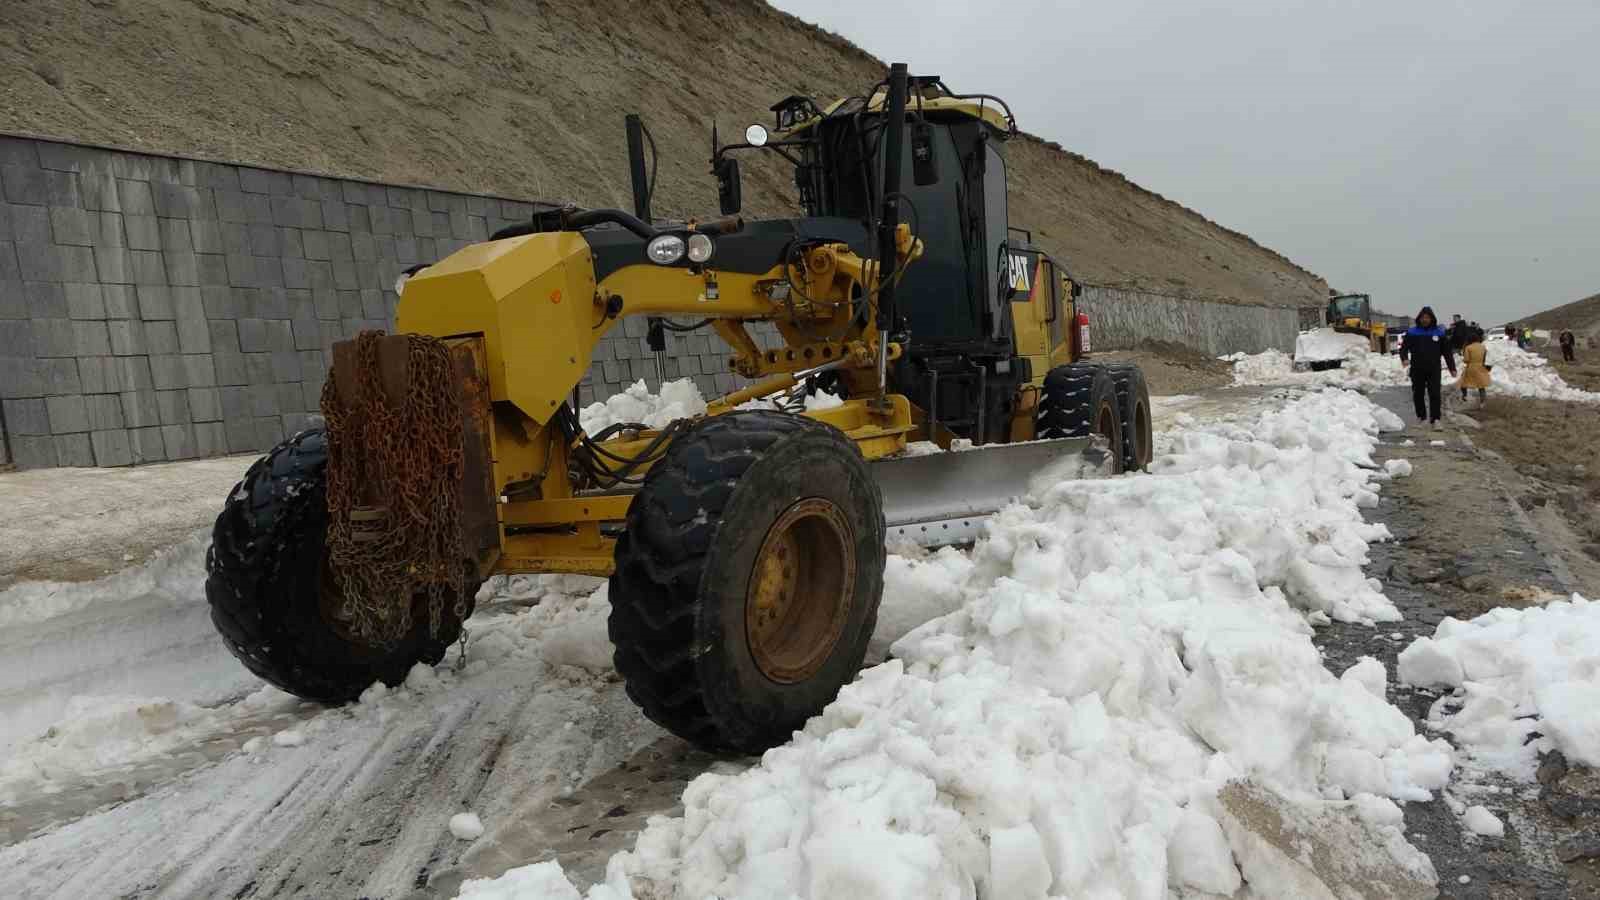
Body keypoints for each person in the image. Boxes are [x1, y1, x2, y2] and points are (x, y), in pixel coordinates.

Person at [1399, 306, 1457, 429]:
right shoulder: (1412, 332)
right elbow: (1403, 348)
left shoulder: (1439, 333)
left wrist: (1452, 368)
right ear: (1419, 318)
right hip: (1417, 368)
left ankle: (1435, 419)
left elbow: (1447, 352)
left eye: (1427, 317)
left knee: (1435, 393)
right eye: (1423, 317)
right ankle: (1421, 417)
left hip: (1434, 369)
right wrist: (1404, 358)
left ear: (1432, 319)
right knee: (1418, 394)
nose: (1425, 320)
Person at [1458, 327, 1490, 405]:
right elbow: (1485, 357)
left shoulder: (1468, 347)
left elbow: (1466, 360)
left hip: (1471, 368)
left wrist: (1464, 360)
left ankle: (1465, 397)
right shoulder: (1483, 346)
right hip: (1481, 367)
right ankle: (1482, 402)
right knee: (1481, 386)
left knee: (1463, 383)